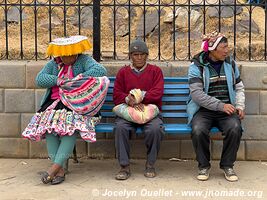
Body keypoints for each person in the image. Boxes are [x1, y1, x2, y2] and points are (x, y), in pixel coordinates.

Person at [22, 35, 107, 185]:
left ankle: (53, 168)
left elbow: (100, 70)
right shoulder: (53, 64)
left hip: (78, 105)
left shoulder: (84, 60)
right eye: (64, 55)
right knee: (49, 130)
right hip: (54, 103)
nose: (68, 57)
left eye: (71, 54)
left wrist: (78, 78)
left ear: (76, 51)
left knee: (70, 129)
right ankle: (60, 169)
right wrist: (58, 80)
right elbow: (40, 79)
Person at [187, 31, 245, 182]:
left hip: (226, 109)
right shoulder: (196, 66)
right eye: (224, 47)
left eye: (228, 47)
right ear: (212, 49)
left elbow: (239, 87)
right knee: (198, 130)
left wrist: (239, 105)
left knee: (235, 128)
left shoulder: (230, 64)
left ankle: (227, 165)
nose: (227, 50)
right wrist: (220, 105)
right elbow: (197, 95)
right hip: (203, 110)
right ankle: (203, 166)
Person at [113, 39, 164, 180]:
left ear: (147, 55)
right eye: (136, 54)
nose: (139, 57)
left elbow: (158, 92)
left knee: (155, 129)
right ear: (131, 56)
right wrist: (129, 100)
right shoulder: (123, 72)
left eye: (142, 54)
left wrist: (140, 98)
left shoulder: (155, 71)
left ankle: (150, 164)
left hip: (149, 112)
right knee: (120, 127)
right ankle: (124, 166)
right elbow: (117, 94)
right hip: (128, 112)